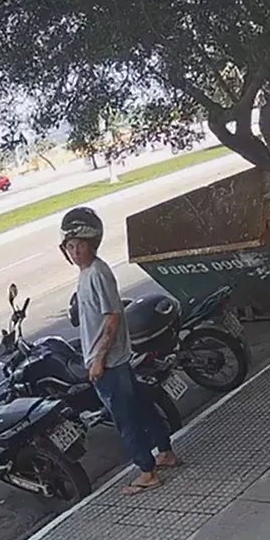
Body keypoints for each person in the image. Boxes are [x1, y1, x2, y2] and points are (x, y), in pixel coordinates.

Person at [59, 206, 180, 494]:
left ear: (93, 244)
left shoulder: (97, 273)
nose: (76, 252)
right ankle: (165, 452)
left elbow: (112, 316)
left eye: (81, 246)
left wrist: (98, 358)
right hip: (116, 360)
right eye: (71, 246)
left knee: (126, 420)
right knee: (140, 406)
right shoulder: (88, 272)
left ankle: (147, 471)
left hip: (110, 363)